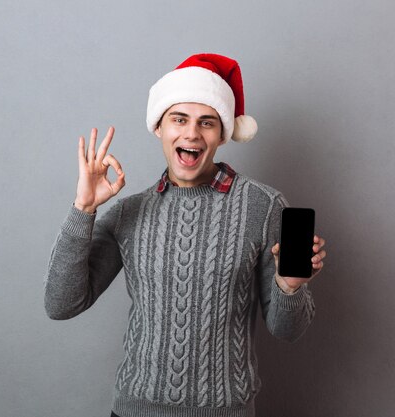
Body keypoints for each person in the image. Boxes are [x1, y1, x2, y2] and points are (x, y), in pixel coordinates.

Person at [44, 53, 327, 417]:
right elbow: (61, 304)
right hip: (135, 410)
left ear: (223, 134)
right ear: (159, 127)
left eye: (206, 122)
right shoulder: (128, 213)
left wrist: (290, 287)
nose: (191, 133)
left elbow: (287, 330)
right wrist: (83, 210)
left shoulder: (264, 206)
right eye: (179, 119)